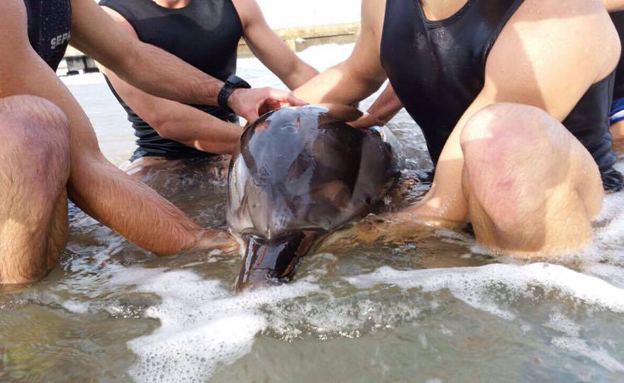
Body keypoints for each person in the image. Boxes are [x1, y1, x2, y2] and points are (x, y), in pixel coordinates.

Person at [0, 0, 305, 284]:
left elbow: (132, 56)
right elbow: (88, 161)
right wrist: (200, 241)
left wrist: (232, 95)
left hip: (24, 174)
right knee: (33, 126)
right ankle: (23, 328)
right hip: (39, 147)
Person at [295, 0, 622, 256]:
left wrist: (338, 239)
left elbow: (445, 205)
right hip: (449, 188)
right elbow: (357, 74)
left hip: (578, 213)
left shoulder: (559, 11)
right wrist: (272, 115)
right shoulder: (382, 4)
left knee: (501, 136)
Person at [98, 0, 318, 174]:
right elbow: (164, 118)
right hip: (160, 158)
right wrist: (267, 142)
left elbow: (295, 71)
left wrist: (345, 115)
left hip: (234, 147)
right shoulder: (110, 21)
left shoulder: (236, 4)